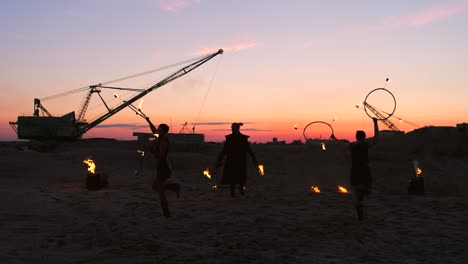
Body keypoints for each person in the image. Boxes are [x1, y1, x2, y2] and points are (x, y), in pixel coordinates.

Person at [146, 117, 180, 218]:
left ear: (165, 132)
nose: (158, 131)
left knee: (160, 191)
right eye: (158, 130)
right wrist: (148, 121)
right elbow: (153, 130)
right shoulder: (159, 137)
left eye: (160, 130)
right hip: (160, 167)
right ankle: (175, 186)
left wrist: (152, 151)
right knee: (155, 186)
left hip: (164, 168)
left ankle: (166, 213)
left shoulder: (164, 140)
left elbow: (162, 155)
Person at [215, 122, 260, 197]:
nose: (232, 130)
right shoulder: (229, 138)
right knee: (232, 177)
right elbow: (225, 150)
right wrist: (220, 159)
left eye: (234, 128)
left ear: (238, 129)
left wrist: (254, 158)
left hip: (241, 160)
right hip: (231, 160)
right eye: (232, 128)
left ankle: (241, 189)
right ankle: (232, 193)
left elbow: (248, 149)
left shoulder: (243, 138)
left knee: (241, 176)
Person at [349, 117, 379, 221]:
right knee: (364, 191)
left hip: (355, 172)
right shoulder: (366, 144)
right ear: (365, 137)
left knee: (357, 194)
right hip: (365, 171)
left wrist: (334, 138)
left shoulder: (352, 145)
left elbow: (340, 144)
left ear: (356, 137)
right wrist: (375, 123)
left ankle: (359, 209)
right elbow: (376, 137)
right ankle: (362, 201)